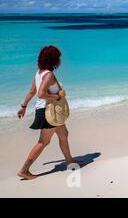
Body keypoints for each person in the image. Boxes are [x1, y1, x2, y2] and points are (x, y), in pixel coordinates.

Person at [17, 45, 76, 180]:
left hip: (46, 110)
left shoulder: (39, 72)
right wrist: (59, 96)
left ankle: (70, 162)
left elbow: (31, 92)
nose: (60, 60)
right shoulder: (48, 75)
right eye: (58, 58)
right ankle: (24, 170)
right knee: (43, 142)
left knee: (64, 134)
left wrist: (23, 106)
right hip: (48, 112)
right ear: (54, 60)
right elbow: (41, 94)